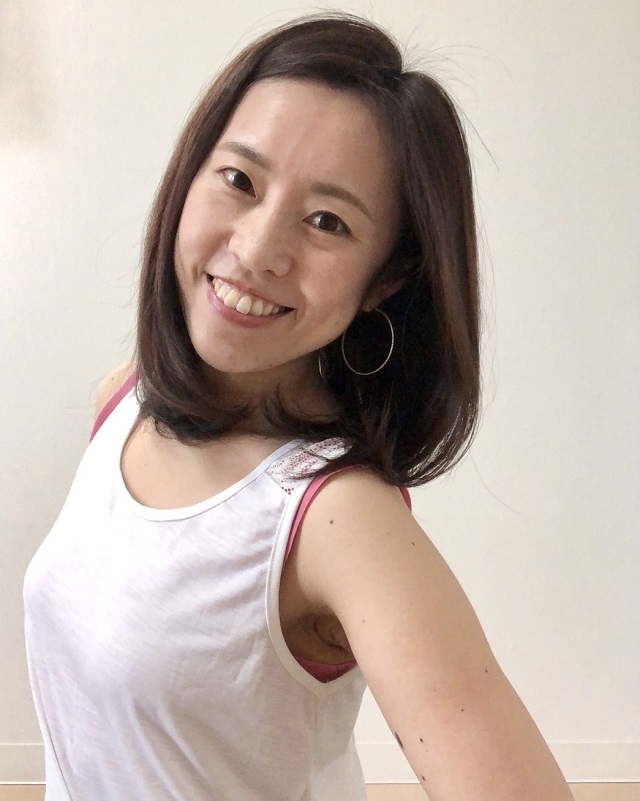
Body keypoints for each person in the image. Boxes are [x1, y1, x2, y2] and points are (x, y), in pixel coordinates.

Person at [23, 13, 574, 801]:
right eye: (239, 180)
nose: (256, 249)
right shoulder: (125, 399)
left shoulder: (337, 518)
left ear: (385, 278)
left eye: (327, 221)